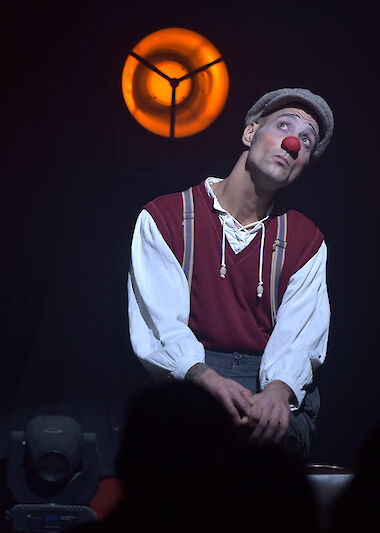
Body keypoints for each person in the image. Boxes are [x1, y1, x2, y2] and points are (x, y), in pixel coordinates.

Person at [127, 88, 333, 455]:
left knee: (268, 443)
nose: (292, 143)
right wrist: (205, 380)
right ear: (250, 133)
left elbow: (299, 338)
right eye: (283, 126)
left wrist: (277, 391)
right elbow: (163, 328)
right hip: (190, 381)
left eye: (306, 140)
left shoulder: (306, 241)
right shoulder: (165, 218)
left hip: (267, 381)